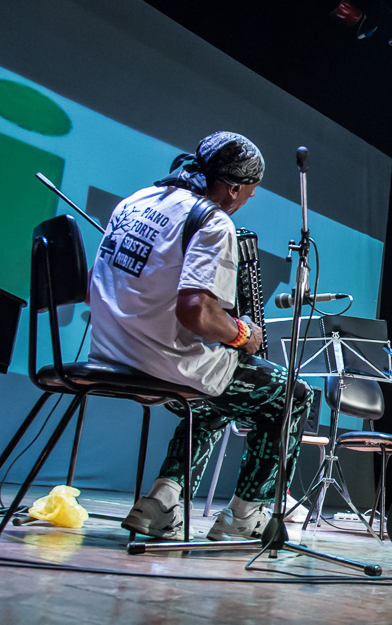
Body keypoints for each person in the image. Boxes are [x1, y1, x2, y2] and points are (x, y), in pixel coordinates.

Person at [88, 131, 314, 541]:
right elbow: (197, 312)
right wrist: (243, 334)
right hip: (157, 361)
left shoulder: (134, 202)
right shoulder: (212, 220)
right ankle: (245, 515)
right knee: (293, 395)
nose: (249, 199)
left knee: (218, 391)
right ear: (232, 188)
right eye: (250, 191)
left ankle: (163, 499)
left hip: (106, 352)